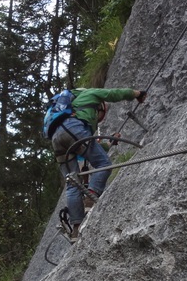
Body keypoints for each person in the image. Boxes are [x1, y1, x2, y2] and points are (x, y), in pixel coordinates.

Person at [51, 87, 146, 241]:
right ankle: (91, 197)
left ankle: (76, 228)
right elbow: (113, 93)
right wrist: (137, 94)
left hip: (56, 139)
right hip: (73, 130)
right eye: (100, 115)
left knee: (72, 182)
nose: (98, 119)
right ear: (100, 106)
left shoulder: (66, 110)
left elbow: (84, 148)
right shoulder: (88, 94)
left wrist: (109, 143)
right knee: (103, 163)